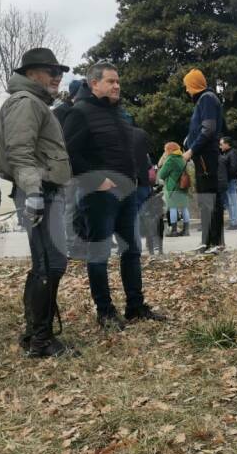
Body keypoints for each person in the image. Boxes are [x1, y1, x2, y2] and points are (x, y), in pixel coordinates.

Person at [63, 61, 164, 330]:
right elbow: (69, 155)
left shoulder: (119, 113)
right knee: (99, 253)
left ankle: (135, 306)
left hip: (127, 193)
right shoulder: (79, 113)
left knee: (131, 250)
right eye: (111, 81)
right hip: (98, 196)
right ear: (94, 83)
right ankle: (105, 312)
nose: (117, 85)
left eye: (118, 81)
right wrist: (98, 180)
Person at [0, 47, 74, 357]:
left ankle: (34, 332)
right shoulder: (26, 103)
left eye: (60, 71)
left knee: (49, 263)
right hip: (38, 191)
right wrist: (34, 193)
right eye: (50, 70)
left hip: (45, 190)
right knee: (49, 264)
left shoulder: (35, 103)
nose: (57, 76)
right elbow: (19, 152)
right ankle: (40, 341)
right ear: (30, 75)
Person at [181, 68, 225, 253]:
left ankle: (216, 242)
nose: (186, 90)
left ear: (194, 84)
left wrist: (191, 150)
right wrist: (187, 141)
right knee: (205, 199)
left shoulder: (206, 99)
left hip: (206, 155)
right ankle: (207, 241)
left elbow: (208, 129)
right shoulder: (204, 99)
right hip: (203, 156)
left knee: (210, 199)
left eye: (187, 86)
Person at [54, 78, 91, 258]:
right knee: (70, 207)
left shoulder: (66, 111)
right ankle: (71, 244)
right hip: (68, 166)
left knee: (76, 207)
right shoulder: (64, 112)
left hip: (77, 165)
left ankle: (79, 242)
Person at [158, 142, 192, 235]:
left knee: (173, 207)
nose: (165, 151)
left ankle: (173, 231)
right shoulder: (182, 158)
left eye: (165, 150)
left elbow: (162, 174)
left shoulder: (170, 159)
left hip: (173, 187)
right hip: (183, 186)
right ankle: (186, 230)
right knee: (184, 208)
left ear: (170, 150)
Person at [219, 136, 237, 230]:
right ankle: (233, 222)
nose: (220, 146)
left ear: (227, 144)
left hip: (230, 180)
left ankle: (235, 222)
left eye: (221, 144)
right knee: (229, 202)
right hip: (228, 180)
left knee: (232, 202)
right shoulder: (227, 153)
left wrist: (226, 175)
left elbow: (234, 169)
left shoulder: (232, 153)